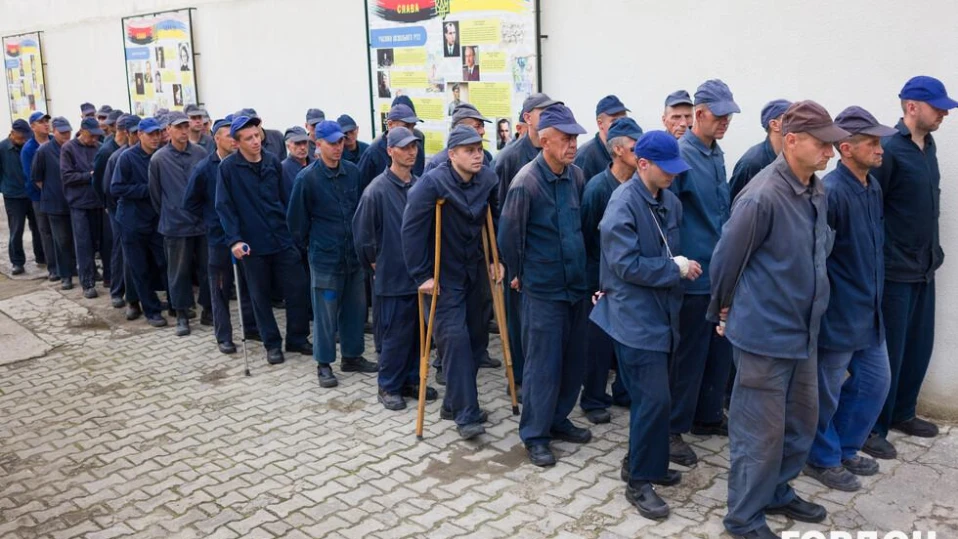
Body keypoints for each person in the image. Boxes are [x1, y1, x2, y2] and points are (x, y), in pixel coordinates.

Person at [709, 101, 849, 539]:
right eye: (822, 143)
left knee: (800, 423)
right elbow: (726, 260)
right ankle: (744, 517)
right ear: (791, 141)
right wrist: (721, 309)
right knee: (759, 435)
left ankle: (777, 492)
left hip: (803, 334)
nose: (831, 151)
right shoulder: (761, 195)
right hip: (764, 338)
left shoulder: (815, 190)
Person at [591, 130, 698, 520]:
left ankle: (643, 463)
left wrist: (677, 268)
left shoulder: (668, 200)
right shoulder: (622, 204)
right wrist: (675, 268)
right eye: (666, 169)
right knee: (654, 400)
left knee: (655, 400)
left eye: (676, 168)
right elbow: (626, 265)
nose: (673, 175)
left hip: (663, 316)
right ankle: (639, 481)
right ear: (643, 164)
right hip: (634, 319)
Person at [804, 106, 896, 492]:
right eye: (871, 143)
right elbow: (817, 257)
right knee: (823, 392)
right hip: (839, 314)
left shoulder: (870, 187)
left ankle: (844, 447)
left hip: (869, 311)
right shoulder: (832, 193)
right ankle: (820, 458)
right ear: (846, 148)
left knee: (876, 382)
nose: (880, 149)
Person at [865, 76, 957, 459]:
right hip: (893, 268)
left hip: (923, 266)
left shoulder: (929, 146)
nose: (944, 115)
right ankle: (873, 427)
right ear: (911, 106)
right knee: (889, 352)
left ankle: (903, 413)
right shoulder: (888, 147)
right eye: (938, 108)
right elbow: (872, 208)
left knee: (919, 347)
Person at [498, 104, 591, 467]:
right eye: (566, 138)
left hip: (575, 286)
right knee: (542, 364)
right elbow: (509, 236)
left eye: (575, 138)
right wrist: (518, 272)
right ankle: (535, 434)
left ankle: (558, 418)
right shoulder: (526, 182)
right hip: (543, 289)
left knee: (572, 359)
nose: (572, 145)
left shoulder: (576, 177)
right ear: (545, 140)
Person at [402, 124, 498, 439]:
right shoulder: (432, 184)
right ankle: (467, 416)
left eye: (479, 149)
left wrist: (499, 259)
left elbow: (495, 216)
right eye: (469, 151)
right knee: (455, 340)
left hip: (475, 271)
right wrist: (422, 275)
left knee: (475, 338)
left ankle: (453, 404)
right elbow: (412, 229)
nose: (477, 156)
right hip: (444, 277)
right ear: (452, 153)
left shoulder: (487, 177)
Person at [667, 79, 739, 467]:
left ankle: (708, 415)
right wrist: (678, 264)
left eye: (729, 114)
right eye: (719, 114)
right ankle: (673, 429)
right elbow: (669, 213)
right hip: (693, 275)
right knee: (688, 357)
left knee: (718, 351)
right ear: (699, 114)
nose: (726, 120)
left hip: (720, 272)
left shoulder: (715, 155)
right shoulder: (681, 154)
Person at [287, 120, 377, 387]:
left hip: (353, 256)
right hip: (325, 257)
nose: (339, 147)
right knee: (326, 314)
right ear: (319, 144)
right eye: (332, 143)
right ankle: (324, 363)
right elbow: (296, 223)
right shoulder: (307, 179)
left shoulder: (352, 172)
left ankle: (352, 356)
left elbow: (361, 209)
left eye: (341, 142)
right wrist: (314, 246)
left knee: (355, 308)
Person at [215, 115, 311, 365]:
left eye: (257, 135)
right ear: (237, 143)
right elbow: (224, 207)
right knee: (260, 295)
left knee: (298, 288)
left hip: (281, 238)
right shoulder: (227, 169)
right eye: (249, 138)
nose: (256, 141)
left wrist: (293, 231)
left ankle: (297, 338)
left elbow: (283, 198)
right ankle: (272, 343)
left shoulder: (271, 162)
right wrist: (234, 240)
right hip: (251, 244)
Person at [354, 126, 436, 409]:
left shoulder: (419, 185)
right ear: (390, 151)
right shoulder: (376, 190)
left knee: (417, 331)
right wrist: (377, 263)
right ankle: (388, 385)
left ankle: (411, 379)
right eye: (404, 147)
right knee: (394, 333)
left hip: (417, 276)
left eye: (414, 146)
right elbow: (364, 236)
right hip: (391, 277)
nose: (411, 152)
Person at [493, 92, 560, 394]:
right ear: (527, 118)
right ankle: (518, 379)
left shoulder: (556, 156)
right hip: (515, 258)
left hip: (545, 259)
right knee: (517, 319)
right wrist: (503, 260)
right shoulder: (508, 159)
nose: (547, 117)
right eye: (541, 112)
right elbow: (497, 211)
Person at [579, 117, 643, 425]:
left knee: (626, 340)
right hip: (599, 277)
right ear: (617, 151)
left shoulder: (637, 186)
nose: (640, 153)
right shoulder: (596, 189)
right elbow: (587, 234)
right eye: (634, 147)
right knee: (598, 343)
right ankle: (591, 399)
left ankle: (623, 391)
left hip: (628, 278)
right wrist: (594, 281)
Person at [184, 118, 258, 354]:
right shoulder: (205, 168)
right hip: (218, 239)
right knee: (220, 288)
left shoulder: (242, 164)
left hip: (245, 235)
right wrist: (210, 220)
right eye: (229, 136)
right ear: (217, 138)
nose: (233, 141)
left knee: (248, 284)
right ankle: (224, 335)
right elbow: (190, 202)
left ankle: (251, 327)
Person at [148, 111, 210, 335]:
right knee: (179, 272)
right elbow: (156, 195)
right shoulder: (159, 159)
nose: (184, 131)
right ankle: (181, 314)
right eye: (179, 127)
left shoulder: (200, 153)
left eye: (186, 127)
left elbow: (207, 186)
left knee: (207, 269)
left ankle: (208, 310)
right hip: (175, 225)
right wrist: (171, 211)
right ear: (169, 131)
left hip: (201, 223)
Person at [111, 118, 169, 327]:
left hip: (156, 219)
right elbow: (116, 188)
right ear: (140, 135)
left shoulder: (162, 155)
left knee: (163, 262)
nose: (156, 138)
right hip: (132, 222)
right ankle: (151, 311)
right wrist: (147, 190)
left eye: (158, 134)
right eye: (151, 134)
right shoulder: (126, 158)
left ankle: (166, 302)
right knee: (139, 267)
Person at [61, 117, 110, 298]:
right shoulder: (69, 148)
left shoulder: (99, 148)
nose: (94, 139)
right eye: (91, 136)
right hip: (79, 204)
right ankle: (87, 282)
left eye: (97, 136)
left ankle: (109, 278)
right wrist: (88, 175)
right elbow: (67, 176)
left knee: (105, 243)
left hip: (98, 202)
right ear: (82, 131)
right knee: (84, 244)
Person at [98, 114, 139, 309]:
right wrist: (108, 206)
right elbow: (103, 185)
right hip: (117, 209)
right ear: (125, 132)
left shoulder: (142, 152)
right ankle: (117, 291)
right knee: (120, 250)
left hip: (138, 211)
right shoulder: (110, 153)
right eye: (135, 132)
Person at [33, 118, 77, 290]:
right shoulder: (43, 151)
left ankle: (77, 269)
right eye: (62, 132)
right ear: (53, 131)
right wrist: (52, 190)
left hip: (75, 202)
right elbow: (37, 178)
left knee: (77, 239)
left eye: (68, 132)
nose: (66, 135)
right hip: (54, 204)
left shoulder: (74, 147)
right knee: (61, 241)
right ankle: (65, 275)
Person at [2, 119, 43, 275]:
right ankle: (17, 262)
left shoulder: (28, 147)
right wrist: (5, 187)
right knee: (16, 229)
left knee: (38, 227)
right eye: (21, 136)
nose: (24, 139)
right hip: (13, 196)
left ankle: (41, 256)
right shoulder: (3, 148)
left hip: (30, 193)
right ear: (13, 133)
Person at [729, 99, 791, 201]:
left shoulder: (792, 158)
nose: (799, 124)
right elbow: (734, 204)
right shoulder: (751, 163)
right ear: (774, 125)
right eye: (791, 119)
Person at [20, 112, 56, 281]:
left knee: (64, 232)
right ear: (32, 126)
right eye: (41, 122)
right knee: (46, 232)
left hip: (60, 196)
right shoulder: (29, 149)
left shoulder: (55, 141)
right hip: (40, 197)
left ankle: (69, 265)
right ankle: (53, 267)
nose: (45, 124)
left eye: (47, 121)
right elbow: (33, 177)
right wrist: (50, 191)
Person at [358, 103, 422, 191]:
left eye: (413, 126)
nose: (410, 132)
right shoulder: (373, 152)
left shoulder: (417, 148)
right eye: (406, 126)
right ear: (390, 124)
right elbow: (361, 187)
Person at [425, 104, 494, 173]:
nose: (483, 131)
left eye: (482, 126)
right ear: (459, 129)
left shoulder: (485, 156)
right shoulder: (437, 164)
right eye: (477, 126)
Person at [574, 95, 630, 180]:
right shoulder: (586, 155)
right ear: (600, 124)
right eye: (614, 121)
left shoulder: (629, 151)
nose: (621, 124)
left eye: (624, 119)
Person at [280, 126, 312, 199]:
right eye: (297, 143)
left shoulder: (315, 165)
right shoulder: (283, 169)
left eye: (304, 142)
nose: (302, 147)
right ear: (288, 146)